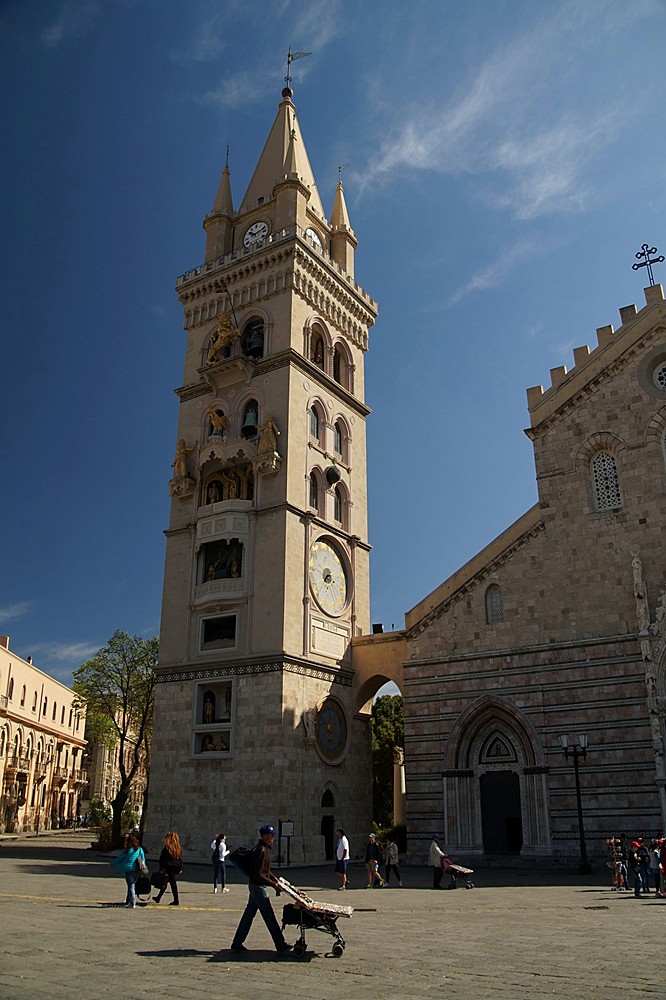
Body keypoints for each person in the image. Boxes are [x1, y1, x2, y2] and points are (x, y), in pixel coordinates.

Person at [230, 825, 292, 954]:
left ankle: (237, 943)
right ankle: (280, 945)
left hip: (256, 886)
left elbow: (266, 871)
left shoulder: (265, 849)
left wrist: (276, 880)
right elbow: (257, 874)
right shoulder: (261, 851)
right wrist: (273, 885)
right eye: (272, 835)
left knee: (248, 915)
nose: (274, 837)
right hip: (258, 887)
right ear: (265, 837)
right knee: (269, 916)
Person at [110, 833, 146, 909]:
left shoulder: (126, 851)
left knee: (131, 886)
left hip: (129, 870)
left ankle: (132, 902)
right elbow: (143, 860)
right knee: (131, 885)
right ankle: (128, 901)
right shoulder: (139, 849)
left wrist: (111, 864)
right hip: (137, 870)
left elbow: (119, 859)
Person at [153, 831, 183, 906]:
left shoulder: (167, 848)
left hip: (168, 867)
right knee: (167, 882)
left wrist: (161, 868)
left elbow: (163, 859)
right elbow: (179, 859)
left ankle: (176, 900)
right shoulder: (178, 848)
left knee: (170, 883)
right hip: (174, 867)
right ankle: (158, 897)